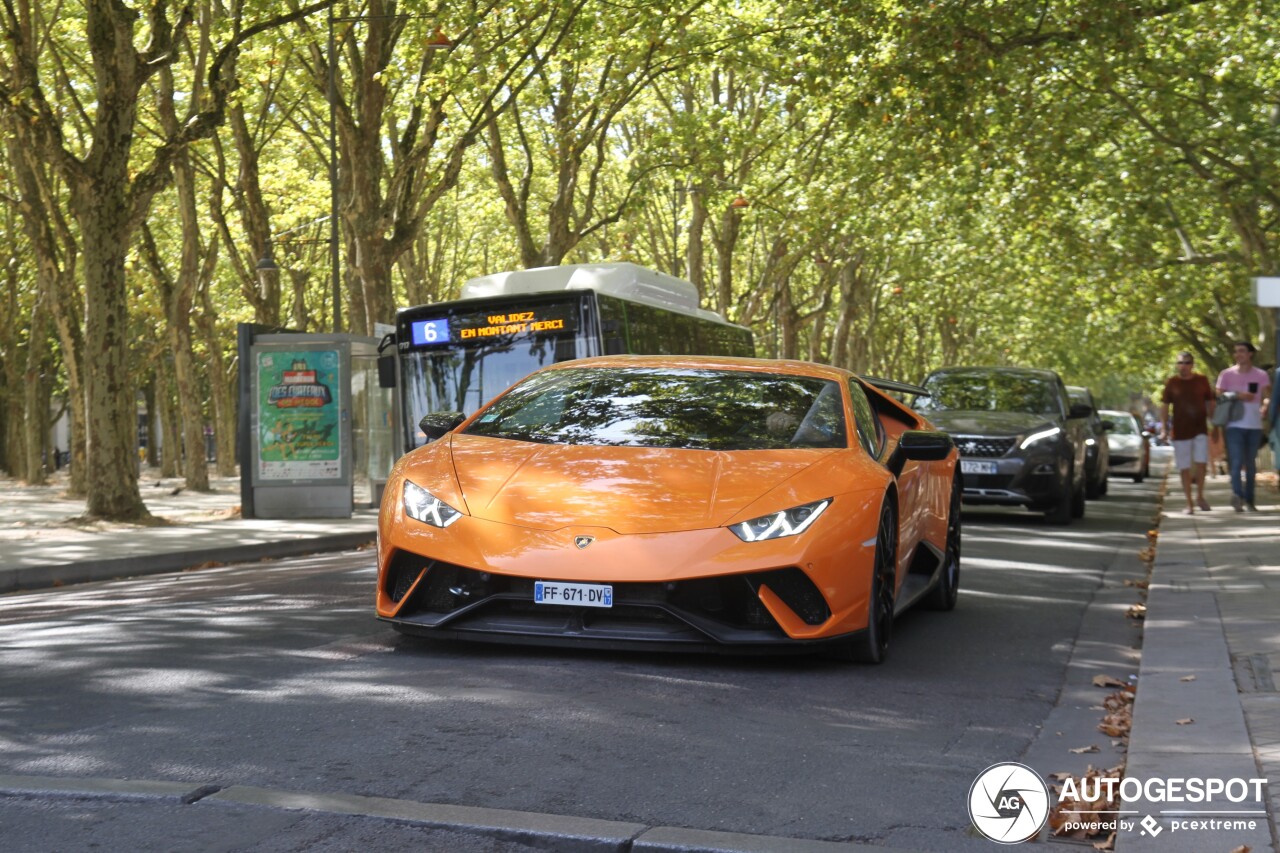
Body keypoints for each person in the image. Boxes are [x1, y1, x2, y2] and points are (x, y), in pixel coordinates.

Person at [1215, 341, 1271, 512]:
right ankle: (1237, 496)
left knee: (1251, 464)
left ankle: (1250, 499)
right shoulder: (1226, 374)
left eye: (1242, 351)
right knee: (1237, 461)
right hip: (1234, 425)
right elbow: (1218, 396)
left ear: (1250, 354)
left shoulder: (1260, 375)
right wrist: (1237, 395)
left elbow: (1267, 396)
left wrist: (1265, 406)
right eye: (1236, 352)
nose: (1238, 354)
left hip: (1254, 425)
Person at [1159, 352, 1215, 514]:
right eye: (1180, 363)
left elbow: (1210, 402)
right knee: (1184, 467)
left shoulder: (1202, 380)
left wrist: (1215, 424)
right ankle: (1189, 503)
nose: (1183, 366)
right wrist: (1164, 428)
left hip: (1200, 429)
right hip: (1180, 430)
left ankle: (1200, 496)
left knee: (1201, 463)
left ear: (1192, 364)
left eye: (1187, 363)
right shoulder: (1172, 383)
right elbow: (1165, 406)